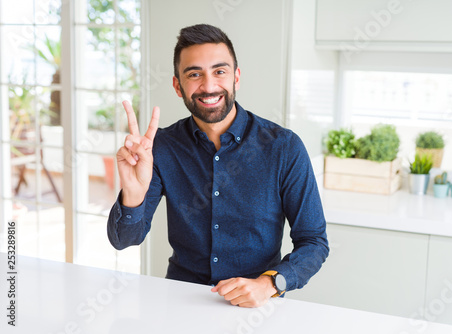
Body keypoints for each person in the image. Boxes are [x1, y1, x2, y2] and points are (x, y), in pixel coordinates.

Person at [107, 23, 329, 308]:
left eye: (219, 71)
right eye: (194, 74)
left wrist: (270, 283)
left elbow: (314, 242)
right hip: (180, 302)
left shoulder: (284, 147)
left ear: (236, 77)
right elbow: (124, 240)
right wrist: (133, 193)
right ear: (178, 85)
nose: (209, 86)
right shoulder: (161, 147)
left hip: (258, 305)